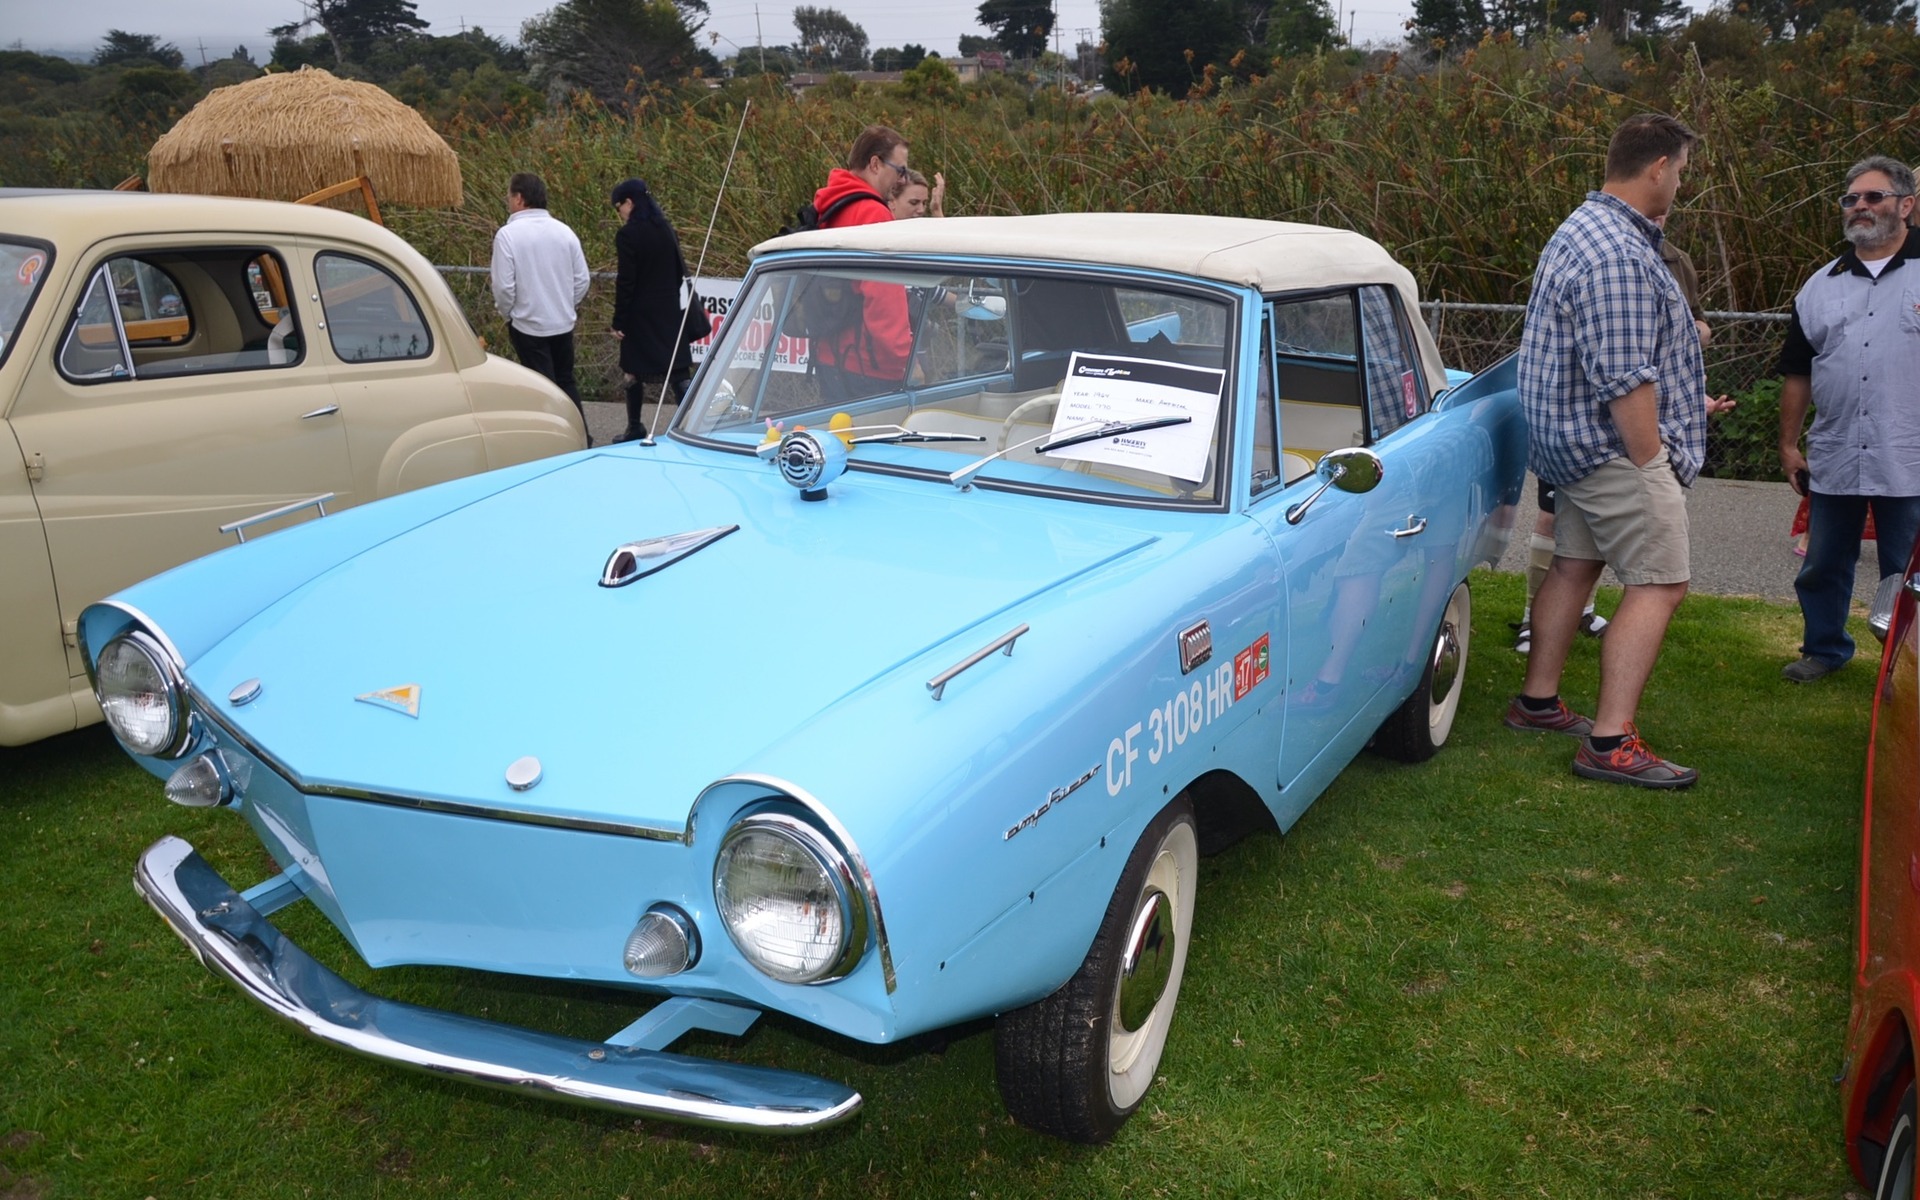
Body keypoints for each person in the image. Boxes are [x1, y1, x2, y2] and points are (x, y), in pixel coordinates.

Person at [1505, 113, 1707, 789]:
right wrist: (1655, 467)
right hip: (1616, 452)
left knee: (1573, 567)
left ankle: (1538, 702)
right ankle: (1610, 740)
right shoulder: (1618, 252)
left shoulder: (1581, 227)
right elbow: (1624, 376)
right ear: (1657, 168)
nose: (1680, 181)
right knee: (1660, 583)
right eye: (1680, 169)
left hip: (1574, 449)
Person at [1776, 156, 1920, 682]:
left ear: (1906, 205)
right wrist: (1789, 445)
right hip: (1836, 451)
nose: (1860, 206)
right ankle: (1824, 648)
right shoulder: (1820, 285)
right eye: (1851, 198)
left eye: (1873, 197)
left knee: (1908, 571)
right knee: (1822, 564)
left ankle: (1905, 664)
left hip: (1910, 456)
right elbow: (1797, 371)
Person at [805, 126, 914, 400]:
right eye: (899, 170)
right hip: (871, 366)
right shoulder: (873, 213)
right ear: (875, 164)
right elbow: (884, 297)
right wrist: (906, 359)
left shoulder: (829, 205)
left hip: (828, 356)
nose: (902, 180)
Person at [490, 172, 591, 435]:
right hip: (562, 321)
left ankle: (551, 440)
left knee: (540, 389)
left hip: (528, 324)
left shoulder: (508, 235)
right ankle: (581, 436)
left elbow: (503, 287)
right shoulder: (564, 232)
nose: (508, 201)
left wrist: (509, 312)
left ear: (519, 198)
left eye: (510, 196)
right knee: (566, 382)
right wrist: (566, 304)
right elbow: (582, 279)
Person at [608, 178, 699, 443]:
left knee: (632, 370)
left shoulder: (627, 235)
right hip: (671, 311)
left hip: (640, 315)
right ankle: (690, 425)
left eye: (619, 207)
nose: (619, 213)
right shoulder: (666, 229)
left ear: (629, 202)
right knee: (679, 370)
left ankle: (634, 426)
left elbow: (626, 282)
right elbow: (677, 271)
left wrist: (619, 321)